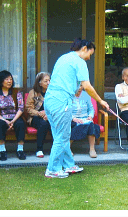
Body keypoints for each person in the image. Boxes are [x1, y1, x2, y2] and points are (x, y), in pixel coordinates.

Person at [43, 38, 109, 178]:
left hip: (50, 100)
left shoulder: (63, 58)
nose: (89, 57)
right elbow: (87, 86)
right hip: (61, 101)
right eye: (90, 53)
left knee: (60, 135)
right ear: (84, 48)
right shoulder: (79, 61)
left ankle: (68, 165)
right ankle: (52, 169)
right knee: (62, 136)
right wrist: (100, 100)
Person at [0, 70, 26, 161]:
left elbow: (21, 108)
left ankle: (20, 150)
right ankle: (2, 150)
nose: (9, 81)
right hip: (1, 118)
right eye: (7, 79)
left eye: (11, 79)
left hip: (15, 117)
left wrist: (13, 121)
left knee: (20, 123)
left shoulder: (16, 92)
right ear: (1, 80)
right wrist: (5, 121)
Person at [70, 86, 101, 158]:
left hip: (85, 118)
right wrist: (73, 118)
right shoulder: (68, 95)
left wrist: (90, 116)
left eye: (81, 89)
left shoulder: (86, 95)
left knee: (91, 125)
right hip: (73, 119)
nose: (79, 92)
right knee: (75, 126)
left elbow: (91, 109)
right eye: (78, 91)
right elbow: (65, 109)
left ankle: (92, 149)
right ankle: (68, 149)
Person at [25, 72, 51, 158]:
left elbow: (56, 106)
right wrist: (40, 113)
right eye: (46, 81)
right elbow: (28, 108)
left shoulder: (51, 92)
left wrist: (48, 114)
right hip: (35, 117)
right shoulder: (33, 92)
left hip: (49, 116)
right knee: (43, 124)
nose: (48, 83)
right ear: (39, 82)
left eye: (49, 80)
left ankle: (57, 149)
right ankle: (39, 149)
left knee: (56, 123)